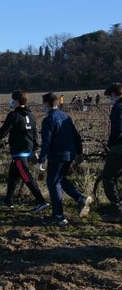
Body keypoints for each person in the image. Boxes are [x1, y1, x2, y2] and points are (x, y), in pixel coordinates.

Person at [0, 91, 49, 212]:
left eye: (12, 99)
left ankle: (41, 201)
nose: (11, 102)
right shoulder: (30, 115)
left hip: (19, 152)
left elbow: (3, 132)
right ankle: (8, 200)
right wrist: (35, 148)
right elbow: (34, 133)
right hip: (27, 150)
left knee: (26, 177)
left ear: (17, 101)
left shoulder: (13, 115)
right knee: (13, 176)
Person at [38, 92, 92, 226]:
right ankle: (81, 198)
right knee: (60, 179)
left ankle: (58, 216)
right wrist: (79, 153)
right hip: (69, 154)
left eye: (43, 103)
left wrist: (41, 159)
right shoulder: (65, 116)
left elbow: (47, 142)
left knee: (53, 182)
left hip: (57, 155)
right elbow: (76, 136)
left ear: (46, 104)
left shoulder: (48, 120)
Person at [100, 83, 122, 222]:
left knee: (108, 176)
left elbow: (117, 129)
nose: (110, 99)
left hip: (119, 147)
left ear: (114, 94)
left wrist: (111, 143)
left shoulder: (118, 108)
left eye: (109, 96)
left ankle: (117, 207)